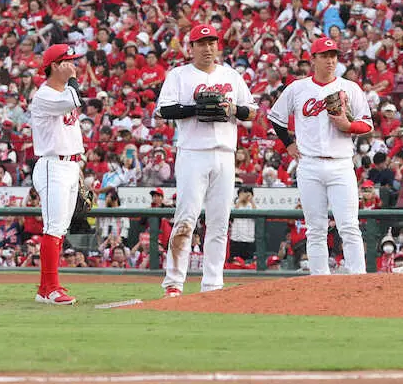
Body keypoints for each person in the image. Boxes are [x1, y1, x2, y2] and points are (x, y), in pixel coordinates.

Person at [155, 24, 256, 297]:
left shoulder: (231, 76)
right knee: (185, 219)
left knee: (220, 221)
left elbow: (252, 112)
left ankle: (213, 284)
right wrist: (194, 108)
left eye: (212, 42)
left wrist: (234, 108)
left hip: (225, 154)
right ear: (191, 48)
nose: (208, 47)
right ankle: (174, 283)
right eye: (202, 43)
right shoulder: (179, 75)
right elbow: (163, 109)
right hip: (192, 153)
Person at [268, 37, 373, 275]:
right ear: (313, 59)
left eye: (333, 55)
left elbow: (367, 125)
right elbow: (276, 117)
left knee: (349, 226)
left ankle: (358, 277)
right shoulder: (298, 88)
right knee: (315, 228)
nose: (330, 60)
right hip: (309, 165)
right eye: (324, 55)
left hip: (341, 163)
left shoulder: (350, 87)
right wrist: (288, 144)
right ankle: (319, 280)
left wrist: (349, 126)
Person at [28, 44, 86, 305]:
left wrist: (79, 169)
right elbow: (76, 98)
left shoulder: (62, 92)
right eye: (66, 61)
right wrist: (72, 79)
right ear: (52, 66)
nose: (72, 65)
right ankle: (51, 288)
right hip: (53, 165)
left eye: (73, 60)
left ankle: (45, 288)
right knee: (53, 228)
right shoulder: (45, 95)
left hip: (70, 165)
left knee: (60, 229)